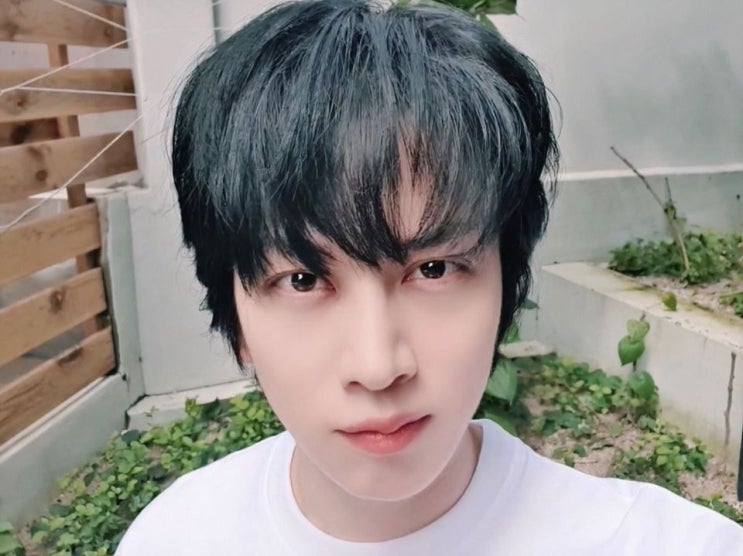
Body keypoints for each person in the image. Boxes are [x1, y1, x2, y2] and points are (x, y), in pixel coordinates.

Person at [116, 0, 743, 554]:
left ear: (505, 282)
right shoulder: (173, 539)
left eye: (433, 269)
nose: (378, 366)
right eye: (303, 279)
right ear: (236, 320)